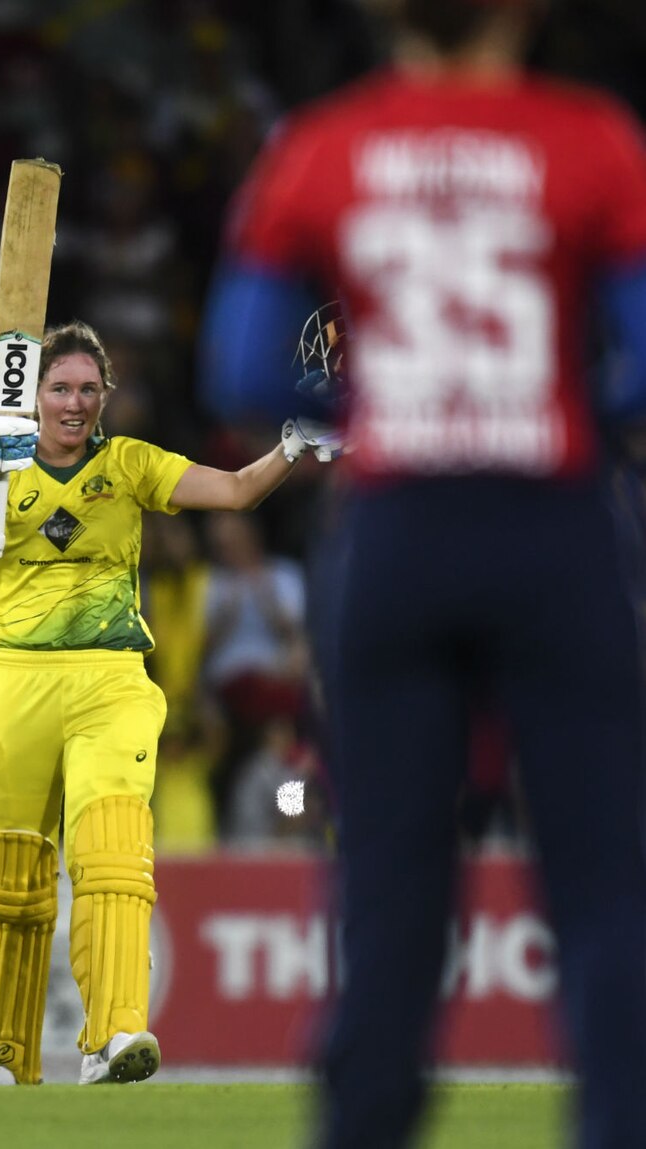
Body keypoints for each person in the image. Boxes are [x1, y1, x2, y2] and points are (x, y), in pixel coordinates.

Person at [198, 1, 646, 1146]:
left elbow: (243, 365)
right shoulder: (592, 140)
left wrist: (380, 410)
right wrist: (569, 411)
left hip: (395, 533)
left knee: (389, 886)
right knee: (602, 883)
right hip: (551, 520)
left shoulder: (320, 146)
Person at [0, 318, 338, 1087]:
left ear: (106, 397)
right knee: (13, 882)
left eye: (90, 389)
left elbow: (233, 490)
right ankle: (1, 1053)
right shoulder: (5, 454)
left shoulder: (126, 463)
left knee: (113, 849)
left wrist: (292, 443)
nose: (75, 402)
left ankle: (115, 1032)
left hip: (111, 677)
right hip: (11, 681)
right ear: (39, 393)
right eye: (60, 387)